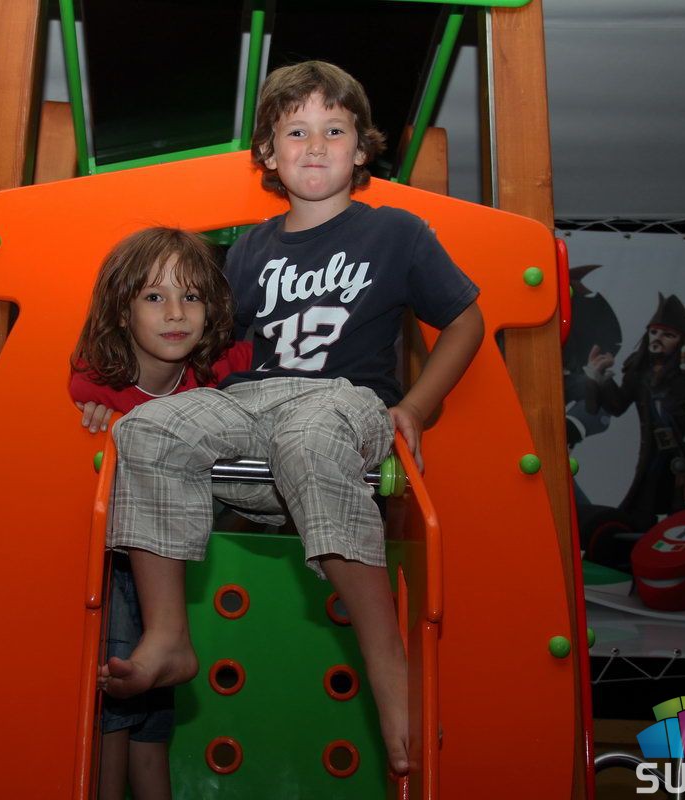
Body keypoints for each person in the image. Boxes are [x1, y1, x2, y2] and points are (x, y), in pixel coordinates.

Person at [102, 61, 484, 775]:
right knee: (147, 430)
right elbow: (211, 350)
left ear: (361, 149)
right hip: (256, 404)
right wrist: (126, 391)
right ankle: (169, 635)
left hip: (345, 401)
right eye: (297, 132)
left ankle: (386, 661)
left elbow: (465, 321)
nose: (315, 146)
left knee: (310, 434)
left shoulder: (395, 233)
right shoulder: (251, 248)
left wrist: (415, 406)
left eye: (333, 130)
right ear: (269, 155)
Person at [69, 227, 250, 800]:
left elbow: (277, 360)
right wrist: (95, 417)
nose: (175, 313)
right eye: (154, 296)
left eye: (191, 296)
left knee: (150, 723)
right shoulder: (94, 382)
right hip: (105, 564)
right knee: (113, 711)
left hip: (165, 568)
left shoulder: (213, 373)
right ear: (121, 312)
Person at [584, 294, 685, 524]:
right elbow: (617, 406)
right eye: (654, 332)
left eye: (668, 335)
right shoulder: (637, 374)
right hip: (652, 450)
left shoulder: (684, 377)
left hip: (682, 449)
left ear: (682, 343)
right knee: (644, 499)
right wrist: (600, 378)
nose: (657, 339)